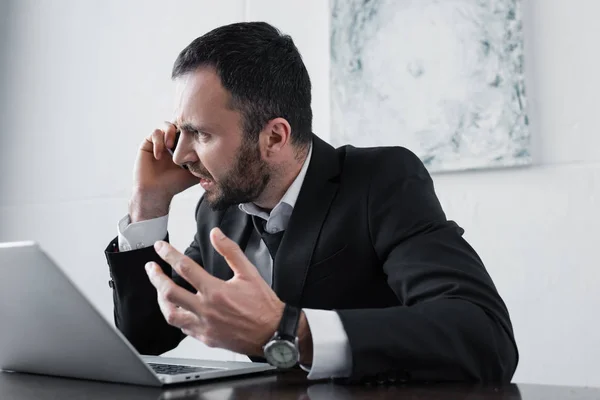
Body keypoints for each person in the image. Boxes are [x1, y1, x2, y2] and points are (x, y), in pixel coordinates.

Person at [104, 21, 518, 384]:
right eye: (181, 131)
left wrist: (292, 331)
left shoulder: (381, 181)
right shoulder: (218, 208)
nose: (179, 156)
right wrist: (149, 202)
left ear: (274, 137)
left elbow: (485, 338)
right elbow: (149, 337)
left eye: (202, 135)